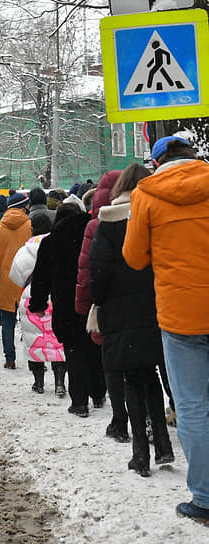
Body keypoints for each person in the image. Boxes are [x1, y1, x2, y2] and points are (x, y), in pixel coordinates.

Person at [123, 135, 209, 522]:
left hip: (181, 316)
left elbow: (134, 258)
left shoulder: (147, 194)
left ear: (156, 163)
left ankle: (205, 498)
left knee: (192, 408)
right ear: (195, 156)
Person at [90, 162, 174, 478]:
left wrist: (99, 302)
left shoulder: (108, 222)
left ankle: (141, 453)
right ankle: (163, 444)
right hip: (156, 306)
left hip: (119, 312)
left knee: (132, 378)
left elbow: (99, 272)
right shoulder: (158, 215)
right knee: (149, 372)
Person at [29, 200, 106, 417]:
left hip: (66, 304)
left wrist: (38, 304)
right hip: (93, 300)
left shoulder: (51, 242)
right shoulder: (92, 236)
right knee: (94, 348)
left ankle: (80, 402)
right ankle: (99, 393)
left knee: (74, 352)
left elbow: (41, 278)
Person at [75, 171, 126, 443]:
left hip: (107, 303)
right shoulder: (141, 215)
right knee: (146, 367)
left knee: (113, 363)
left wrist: (85, 306)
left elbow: (87, 271)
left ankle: (120, 420)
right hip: (145, 303)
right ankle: (154, 422)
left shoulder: (95, 226)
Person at [9, 213, 64, 394]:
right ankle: (59, 383)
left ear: (32, 229)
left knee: (34, 342)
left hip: (31, 298)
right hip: (56, 295)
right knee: (57, 342)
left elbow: (15, 277)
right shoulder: (58, 245)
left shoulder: (24, 251)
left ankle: (39, 383)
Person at [0, 192, 32, 368]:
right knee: (29, 323)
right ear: (24, 207)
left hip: (6, 283)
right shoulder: (30, 227)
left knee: (7, 323)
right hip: (27, 282)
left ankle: (10, 359)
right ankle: (34, 360)